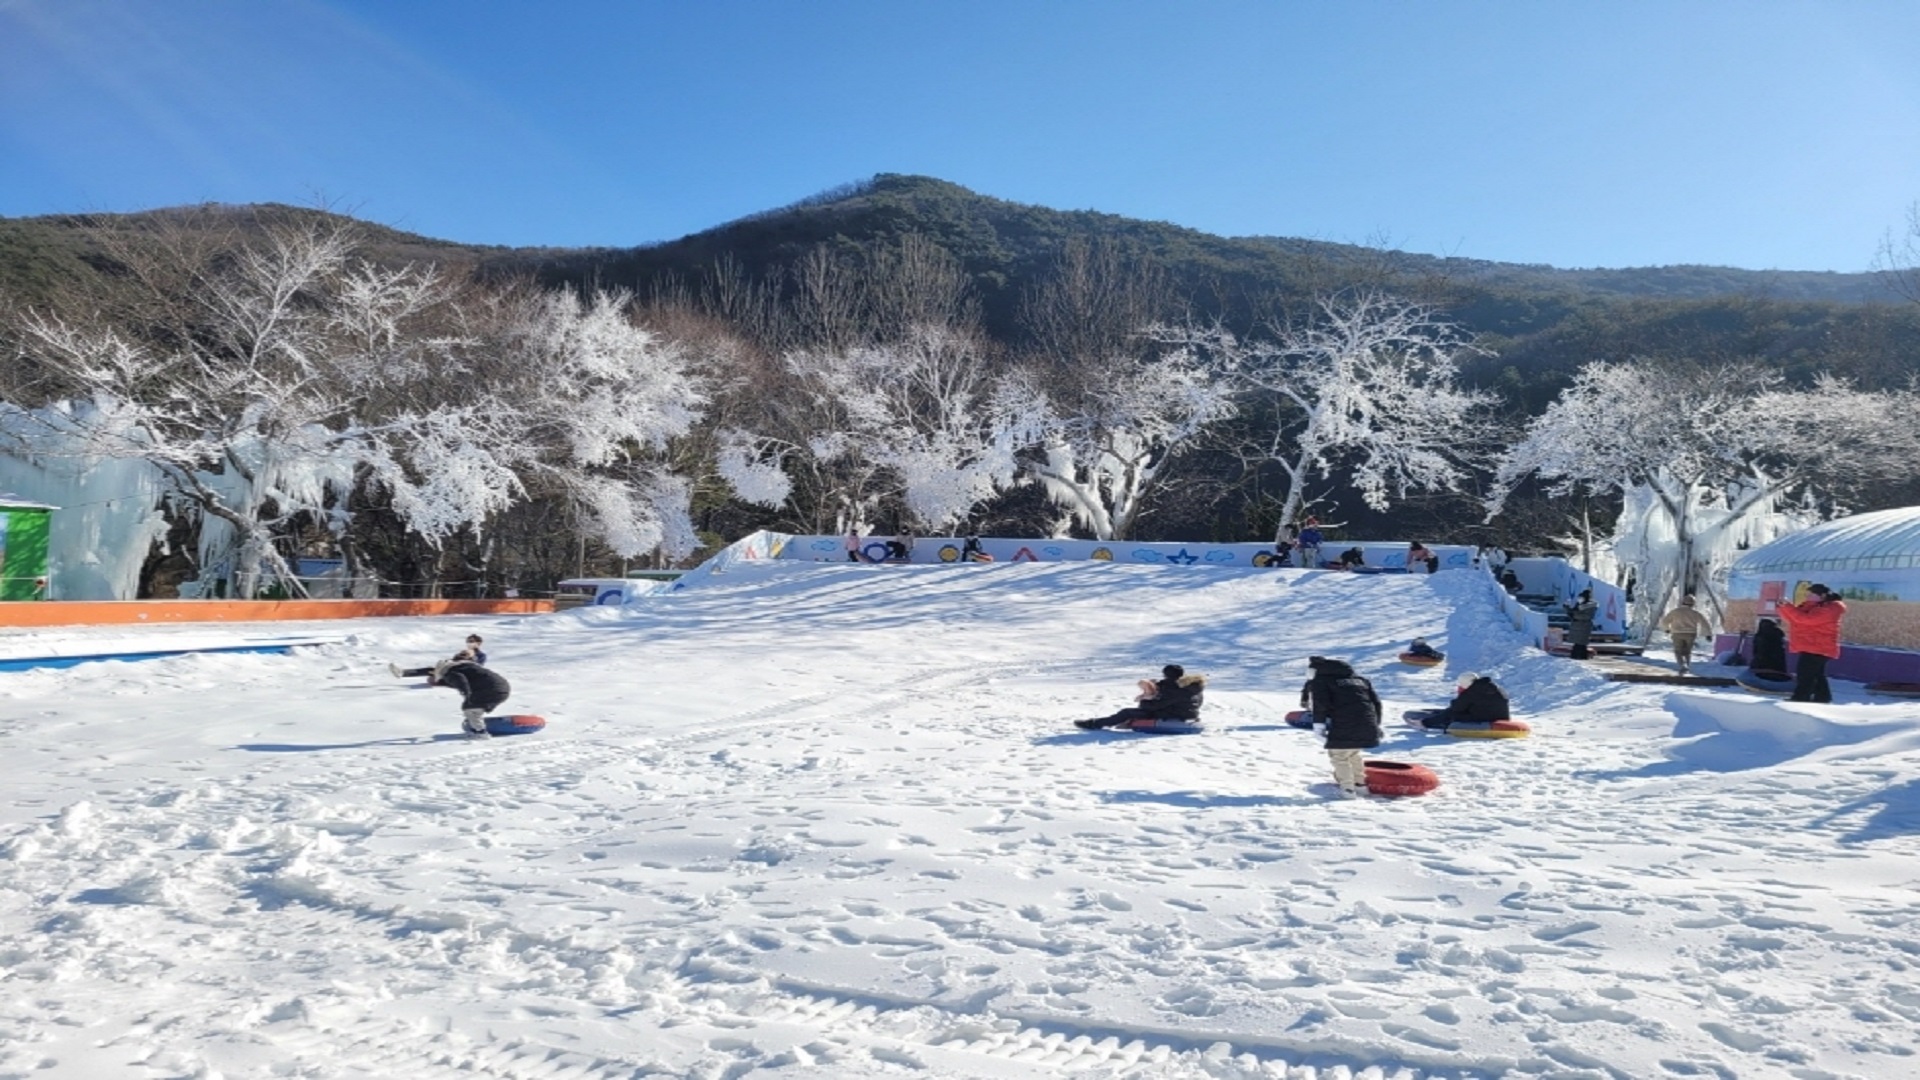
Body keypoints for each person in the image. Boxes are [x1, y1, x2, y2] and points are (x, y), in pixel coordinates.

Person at [1304, 656, 1383, 797]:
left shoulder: (1322, 681)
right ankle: (1360, 785)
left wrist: (1318, 726)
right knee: (1353, 753)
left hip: (1344, 724)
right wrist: (1376, 724)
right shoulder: (1361, 681)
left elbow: (1320, 705)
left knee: (1339, 756)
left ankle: (1347, 789)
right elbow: (1376, 704)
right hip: (1367, 723)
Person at [1774, 584, 1847, 703]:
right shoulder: (1810, 606)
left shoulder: (1830, 609)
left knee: (1805, 674)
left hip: (1819, 646)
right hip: (1811, 645)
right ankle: (1822, 697)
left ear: (1823, 596)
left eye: (1811, 594)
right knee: (1816, 674)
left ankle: (1801, 697)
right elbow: (1794, 619)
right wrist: (1782, 607)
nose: (1808, 596)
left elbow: (1806, 619)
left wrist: (1788, 607)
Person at [1076, 664, 1207, 729]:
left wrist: (1144, 701)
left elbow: (1155, 706)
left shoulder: (1174, 689)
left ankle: (1094, 724)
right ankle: (1126, 722)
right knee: (1137, 712)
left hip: (1174, 715)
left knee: (1127, 712)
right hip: (1189, 714)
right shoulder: (1192, 685)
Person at [432, 656, 512, 739]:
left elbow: (461, 681)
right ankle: (476, 726)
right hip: (502, 688)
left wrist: (466, 693)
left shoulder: (451, 673)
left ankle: (480, 732)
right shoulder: (465, 667)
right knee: (473, 707)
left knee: (471, 708)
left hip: (492, 689)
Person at [1410, 671, 1511, 729]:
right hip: (1502, 716)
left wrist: (1427, 722)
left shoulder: (1472, 691)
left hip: (1486, 719)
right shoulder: (1495, 687)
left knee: (1451, 714)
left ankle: (1424, 723)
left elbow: (1456, 708)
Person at [1658, 595, 1713, 675]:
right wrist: (1708, 634)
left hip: (1677, 633)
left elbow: (1665, 621)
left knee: (1678, 651)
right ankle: (1687, 666)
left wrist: (1667, 629)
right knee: (1687, 652)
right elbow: (1704, 623)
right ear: (1693, 604)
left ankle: (1682, 666)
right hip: (1691, 634)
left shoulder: (1675, 612)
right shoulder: (1695, 613)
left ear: (1682, 602)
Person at [392, 635, 487, 679]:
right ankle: (402, 673)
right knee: (430, 669)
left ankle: (440, 674)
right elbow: (453, 661)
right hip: (452, 669)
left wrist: (471, 657)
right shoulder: (463, 652)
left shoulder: (481, 655)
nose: (469, 643)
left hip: (463, 675)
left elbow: (477, 667)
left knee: (434, 671)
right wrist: (458, 657)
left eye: (471, 641)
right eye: (468, 641)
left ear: (478, 643)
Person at [1564, 589, 1598, 660]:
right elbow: (1573, 612)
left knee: (1581, 644)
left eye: (1582, 597)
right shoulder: (1579, 604)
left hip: (1584, 625)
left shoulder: (1590, 606)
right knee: (1577, 644)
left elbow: (1586, 616)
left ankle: (1581, 657)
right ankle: (1576, 657)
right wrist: (1567, 608)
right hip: (1577, 625)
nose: (1580, 599)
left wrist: (1574, 614)